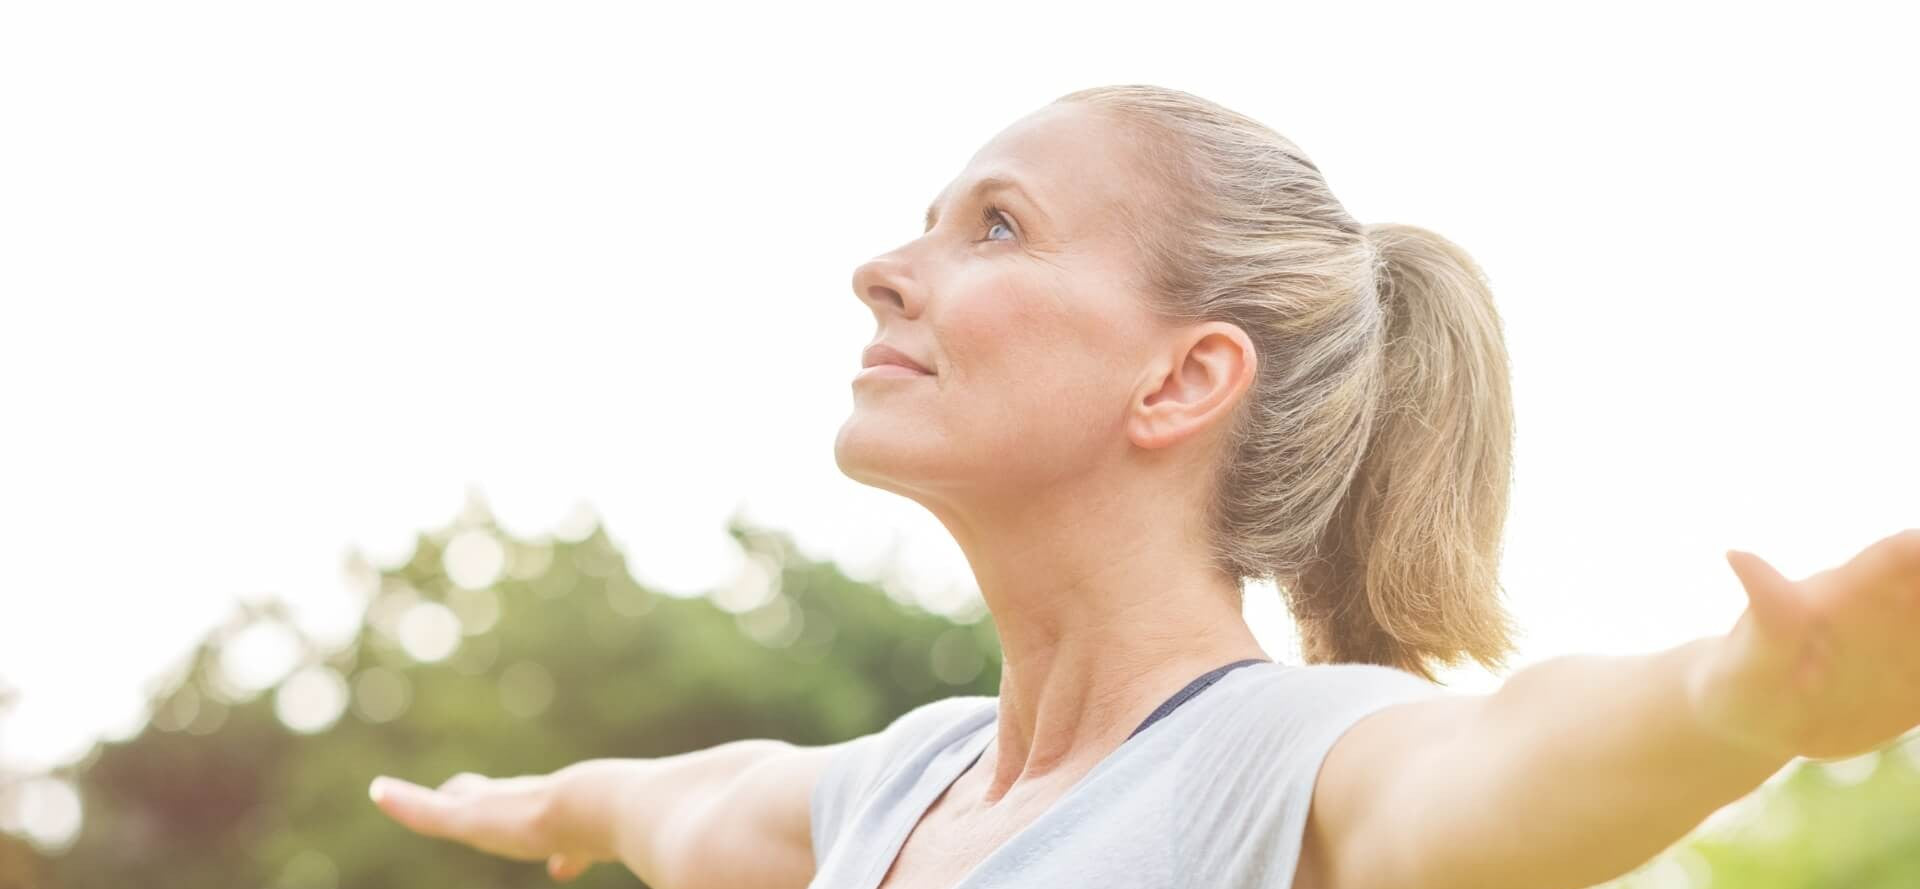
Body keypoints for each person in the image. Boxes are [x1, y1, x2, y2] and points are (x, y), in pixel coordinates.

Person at [365, 84, 1920, 889]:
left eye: (996, 228)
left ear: (1181, 380)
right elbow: (681, 796)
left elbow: (1504, 758)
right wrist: (542, 803)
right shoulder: (893, 789)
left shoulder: (1276, 764)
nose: (882, 270)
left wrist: (1740, 698)